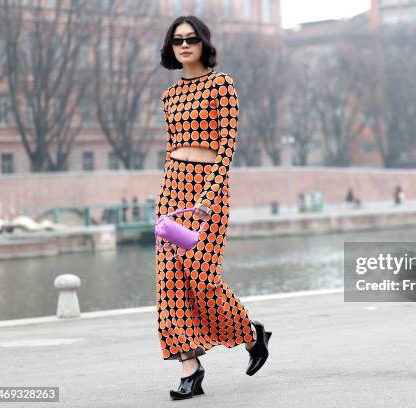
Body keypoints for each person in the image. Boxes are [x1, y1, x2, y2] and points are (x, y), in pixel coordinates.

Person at [156, 15, 272, 400]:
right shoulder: (169, 96)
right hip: (173, 188)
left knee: (201, 279)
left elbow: (227, 147)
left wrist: (207, 196)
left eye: (191, 39)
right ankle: (190, 368)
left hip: (208, 192)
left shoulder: (222, 85)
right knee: (170, 284)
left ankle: (251, 334)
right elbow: (172, 147)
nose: (184, 46)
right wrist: (166, 196)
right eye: (177, 41)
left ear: (204, 43)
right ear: (171, 48)